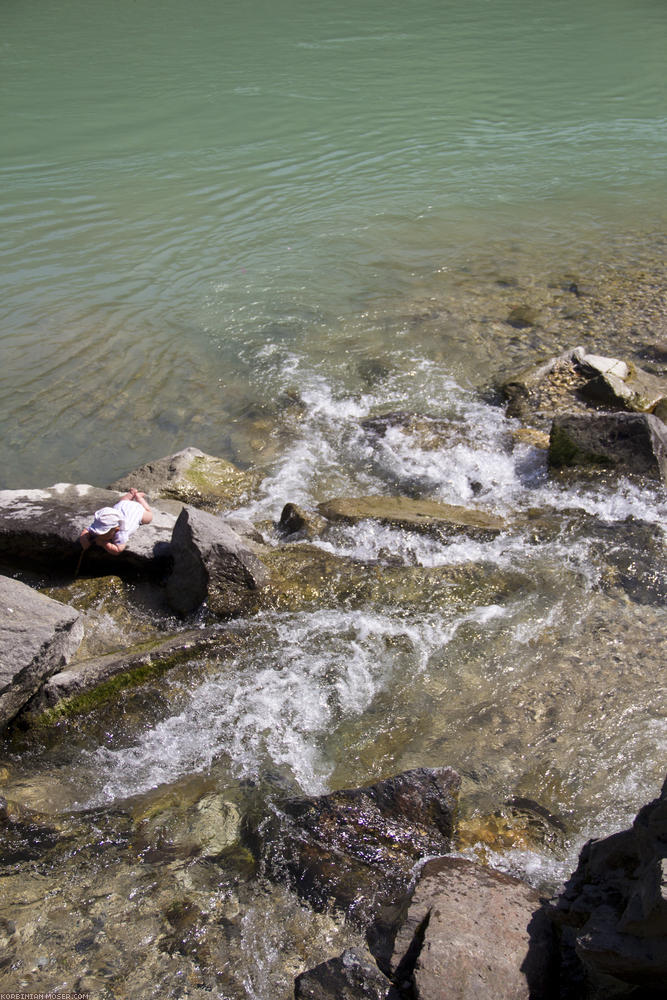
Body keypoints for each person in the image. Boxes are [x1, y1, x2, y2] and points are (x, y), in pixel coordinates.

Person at [79, 488, 153, 555]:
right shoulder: (98, 526)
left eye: (103, 533)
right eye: (98, 531)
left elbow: (118, 550)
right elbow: (86, 531)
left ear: (116, 529)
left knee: (149, 516)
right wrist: (84, 540)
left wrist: (104, 543)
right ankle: (130, 494)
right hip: (122, 505)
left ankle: (139, 498)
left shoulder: (121, 534)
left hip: (136, 511)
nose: (99, 535)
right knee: (122, 502)